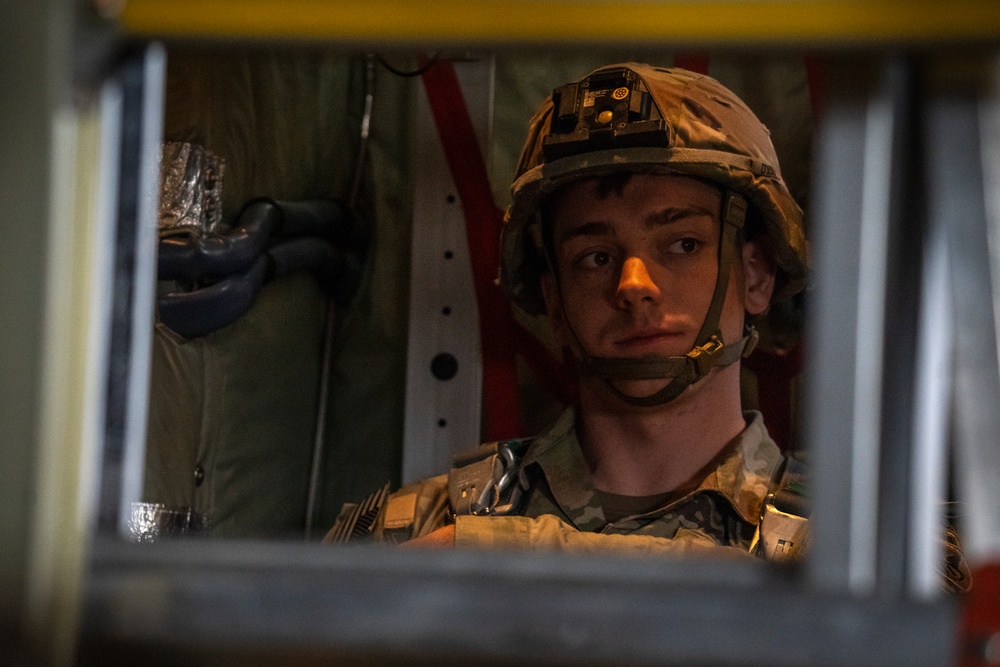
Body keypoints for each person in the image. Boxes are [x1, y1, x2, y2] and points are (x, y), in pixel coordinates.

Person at [327, 62, 811, 559]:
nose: (634, 286)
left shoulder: (848, 544)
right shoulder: (405, 532)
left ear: (756, 275)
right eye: (595, 258)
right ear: (554, 299)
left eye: (682, 244)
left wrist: (493, 557)